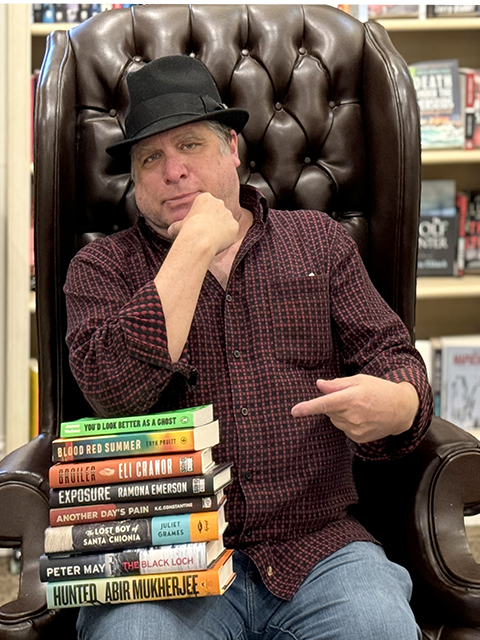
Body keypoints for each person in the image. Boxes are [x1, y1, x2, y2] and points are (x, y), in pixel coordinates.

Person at [65, 55, 433, 640]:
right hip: (163, 565)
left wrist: (399, 403)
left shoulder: (318, 242)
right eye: (151, 159)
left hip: (318, 549)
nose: (173, 171)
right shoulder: (100, 268)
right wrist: (194, 246)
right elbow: (114, 394)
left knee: (378, 625)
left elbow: (395, 358)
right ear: (134, 181)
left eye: (190, 145)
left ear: (232, 149)